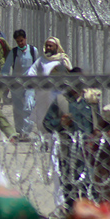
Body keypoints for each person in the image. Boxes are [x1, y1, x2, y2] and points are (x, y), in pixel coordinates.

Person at [43, 68, 95, 210]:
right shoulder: (61, 101)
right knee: (70, 190)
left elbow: (100, 124)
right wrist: (61, 123)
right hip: (67, 154)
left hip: (87, 153)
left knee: (89, 188)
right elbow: (46, 123)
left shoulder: (90, 101)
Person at [2, 29, 39, 138]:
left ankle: (26, 132)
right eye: (18, 41)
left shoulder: (33, 51)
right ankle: (19, 131)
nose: (20, 43)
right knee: (18, 109)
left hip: (29, 84)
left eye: (22, 40)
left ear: (25, 39)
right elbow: (5, 69)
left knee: (29, 106)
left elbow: (37, 66)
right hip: (16, 85)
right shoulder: (13, 53)